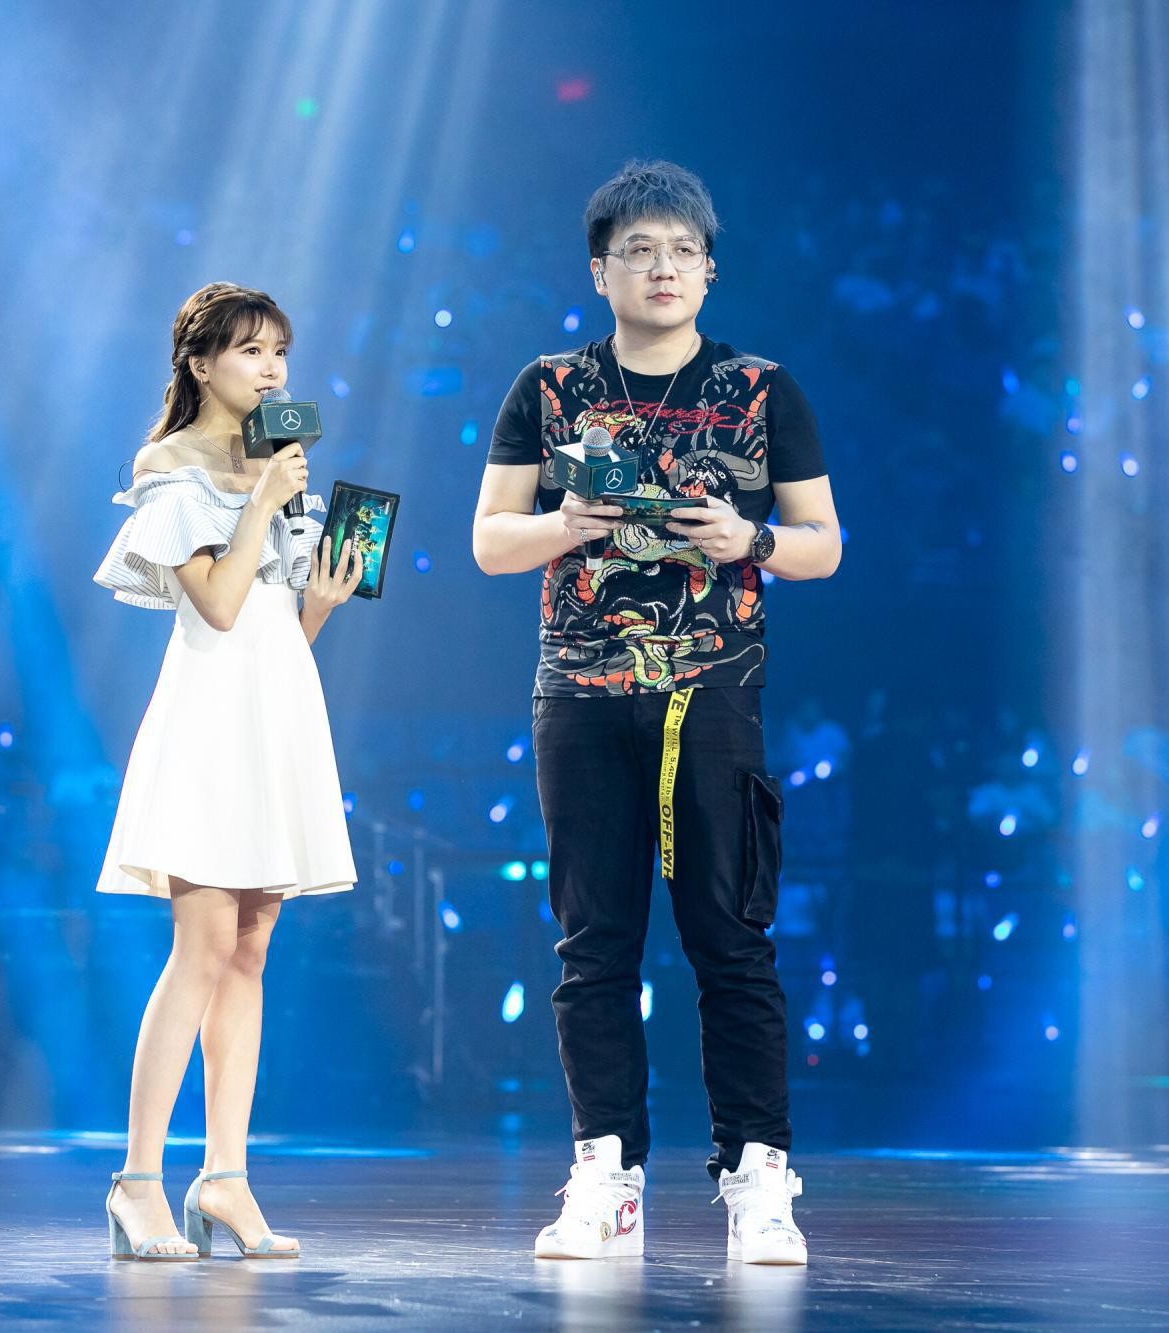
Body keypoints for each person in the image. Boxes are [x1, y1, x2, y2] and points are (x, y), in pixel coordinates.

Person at [472, 161, 842, 1265]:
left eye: (682, 250)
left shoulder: (762, 389)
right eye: (639, 250)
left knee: (730, 941)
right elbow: (490, 539)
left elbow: (824, 545)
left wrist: (750, 540)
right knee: (593, 945)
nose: (663, 267)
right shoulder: (547, 387)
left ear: (709, 270)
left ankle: (757, 1176)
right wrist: (568, 526)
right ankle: (606, 1172)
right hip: (580, 694)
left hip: (712, 695)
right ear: (601, 271)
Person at [91, 282, 364, 1260]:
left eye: (280, 351)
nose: (272, 369)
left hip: (275, 709)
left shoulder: (276, 466)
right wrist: (259, 501)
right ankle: (136, 1182)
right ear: (201, 364)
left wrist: (322, 601)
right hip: (208, 717)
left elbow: (270, 625)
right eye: (251, 351)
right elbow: (212, 603)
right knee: (201, 945)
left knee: (251, 946)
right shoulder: (170, 464)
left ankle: (225, 1177)